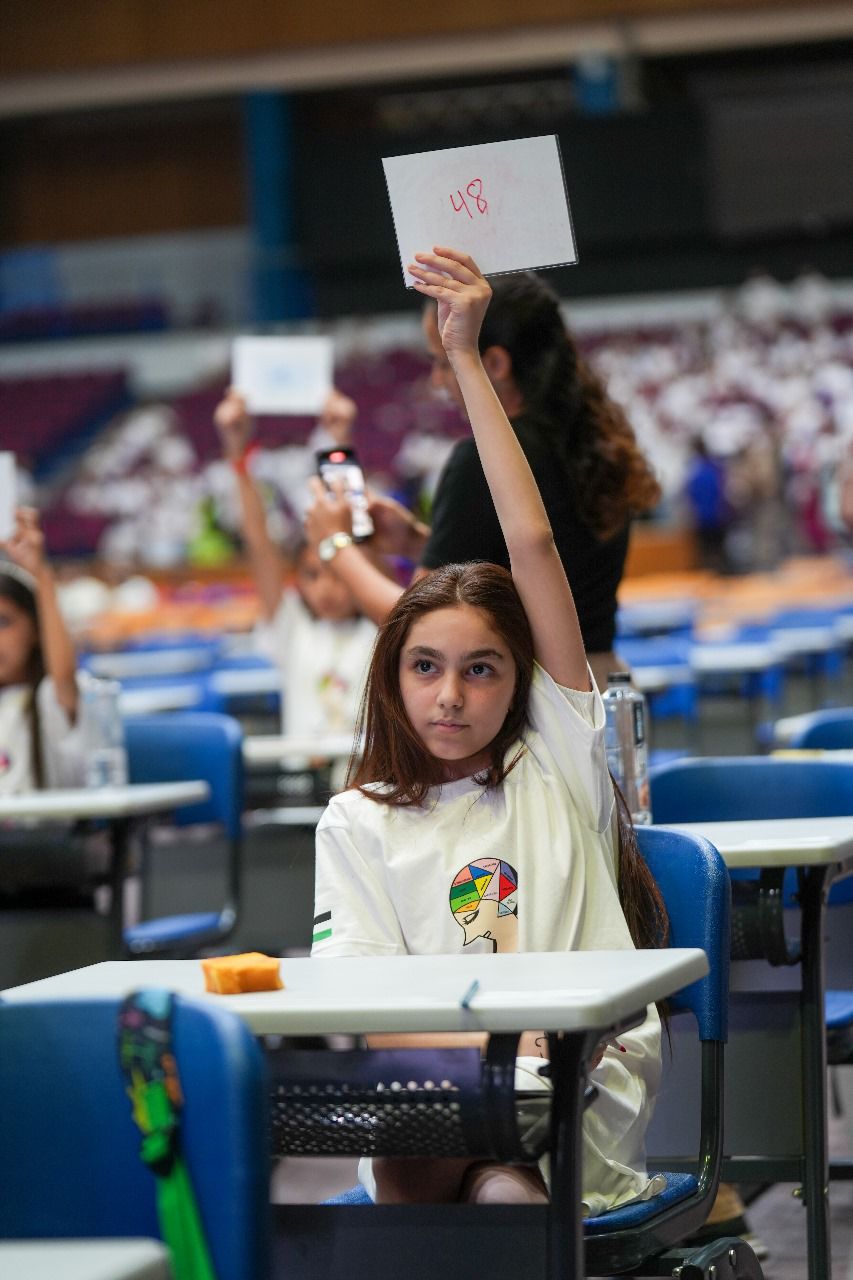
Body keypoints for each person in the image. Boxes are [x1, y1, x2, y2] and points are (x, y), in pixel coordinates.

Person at [311, 248, 669, 1212]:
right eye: (424, 666)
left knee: (474, 1178)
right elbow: (362, 999)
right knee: (454, 1175)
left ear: (524, 682)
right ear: (391, 675)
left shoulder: (555, 760)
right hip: (447, 1086)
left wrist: (463, 355)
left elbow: (532, 545)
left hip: (580, 1072)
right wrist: (474, 1052)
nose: (451, 695)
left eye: (482, 669)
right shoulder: (353, 818)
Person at [305, 270, 661, 692]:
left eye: (443, 362)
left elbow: (419, 631)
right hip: (609, 688)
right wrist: (422, 542)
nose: (438, 381)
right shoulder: (596, 443)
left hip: (541, 703)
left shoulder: (480, 462)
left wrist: (336, 545)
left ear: (493, 363)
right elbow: (528, 573)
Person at [214, 389, 377, 743]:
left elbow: (355, 527)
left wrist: (340, 442)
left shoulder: (381, 631)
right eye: (312, 575)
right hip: (301, 784)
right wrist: (238, 456)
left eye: (338, 574)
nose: (324, 589)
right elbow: (258, 542)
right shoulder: (293, 627)